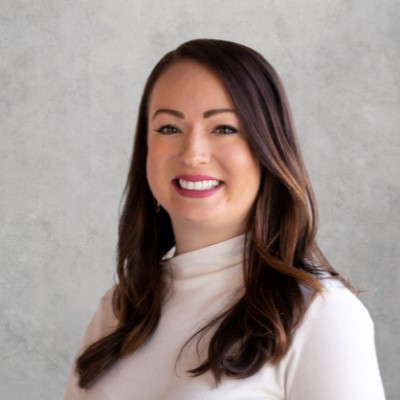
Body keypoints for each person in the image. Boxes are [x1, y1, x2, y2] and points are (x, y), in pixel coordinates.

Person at [64, 39, 385, 399]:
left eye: (224, 128)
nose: (193, 154)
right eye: (169, 128)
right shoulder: (118, 309)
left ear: (268, 149)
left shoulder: (321, 315)